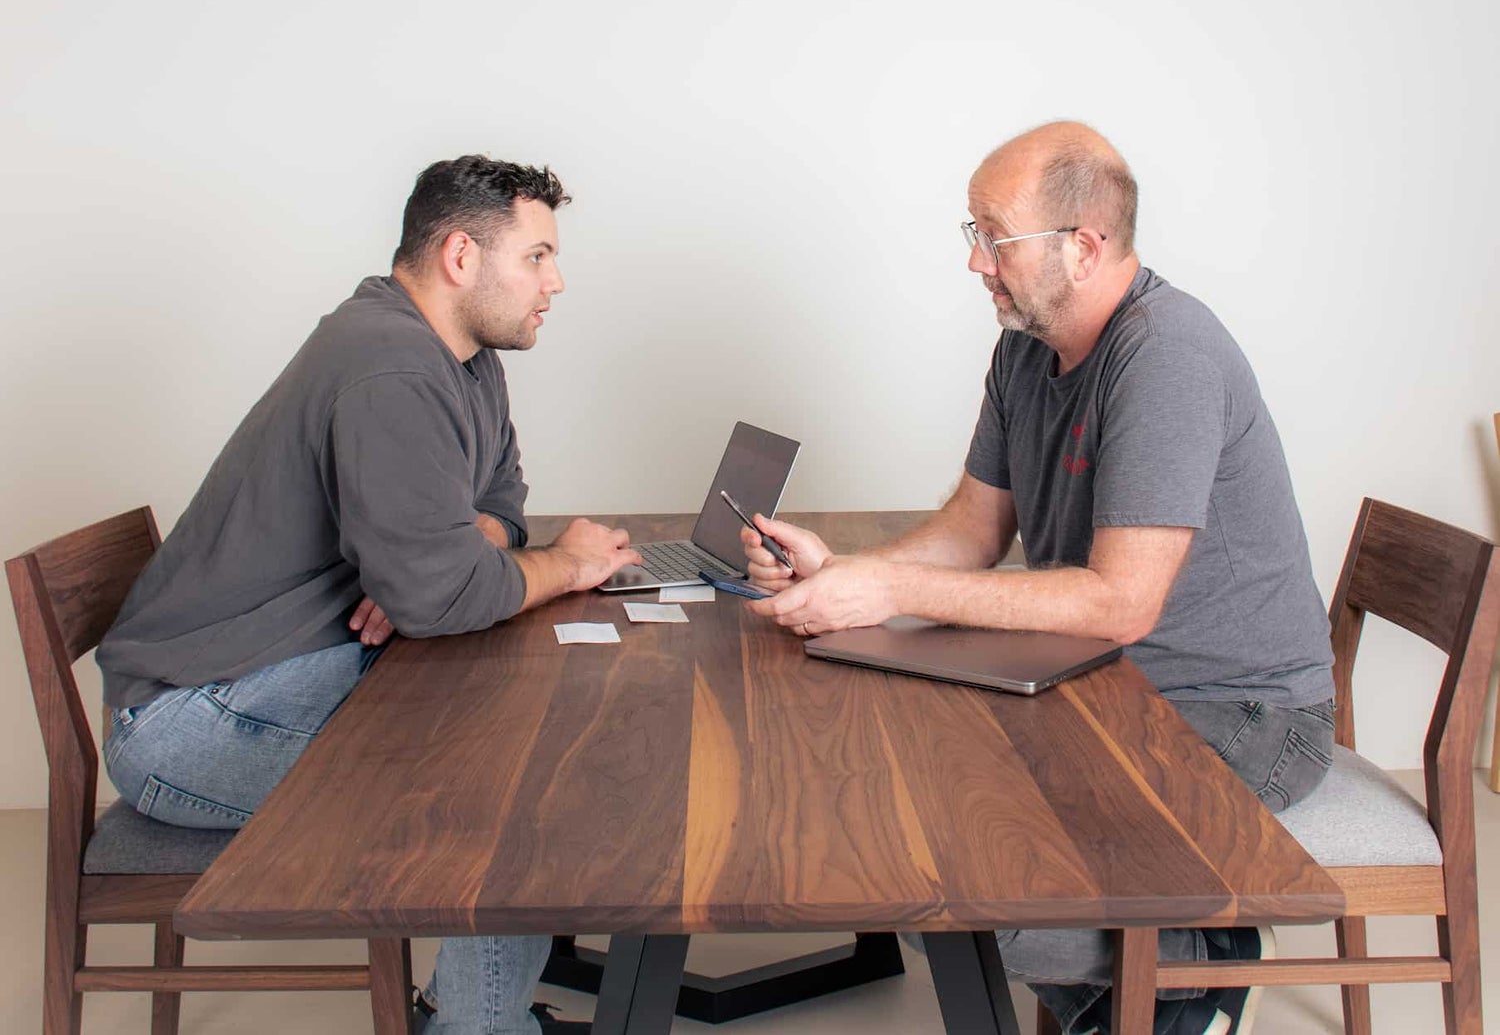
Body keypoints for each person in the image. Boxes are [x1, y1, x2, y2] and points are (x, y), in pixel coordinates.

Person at [738, 121, 1335, 1035]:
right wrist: (848, 571)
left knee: (976, 897)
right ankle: (1164, 973)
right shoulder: (1025, 345)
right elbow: (973, 531)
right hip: (1101, 685)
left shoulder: (1166, 352)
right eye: (970, 233)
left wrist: (889, 596)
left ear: (1085, 248)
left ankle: (1193, 966)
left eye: (992, 236)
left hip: (1240, 714)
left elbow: (1119, 603)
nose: (976, 263)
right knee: (909, 833)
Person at [98, 155, 643, 1035]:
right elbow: (441, 594)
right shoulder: (387, 363)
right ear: (462, 256)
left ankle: (469, 1010)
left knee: (525, 736)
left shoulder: (462, 359)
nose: (558, 281)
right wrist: (562, 567)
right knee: (516, 794)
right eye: (537, 257)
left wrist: (447, 558)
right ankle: (475, 1025)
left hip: (282, 670)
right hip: (185, 722)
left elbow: (501, 502)